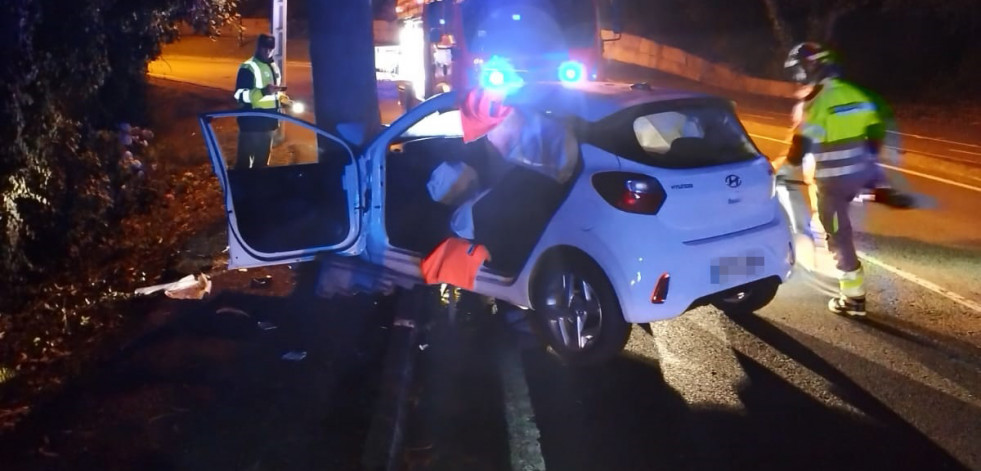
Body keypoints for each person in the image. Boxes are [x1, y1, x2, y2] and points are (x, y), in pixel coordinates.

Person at [777, 42, 890, 316]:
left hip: (831, 181)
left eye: (799, 71)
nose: (798, 77)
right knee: (842, 225)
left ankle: (853, 300)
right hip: (859, 177)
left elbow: (802, 145)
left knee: (838, 235)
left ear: (809, 69)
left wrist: (781, 170)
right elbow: (876, 127)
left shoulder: (815, 101)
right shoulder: (856, 93)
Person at [233, 33, 283, 170]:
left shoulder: (273, 67)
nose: (267, 51)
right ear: (258, 47)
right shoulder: (248, 67)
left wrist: (282, 100)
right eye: (264, 48)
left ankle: (256, 190)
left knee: (261, 166)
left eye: (270, 48)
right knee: (244, 165)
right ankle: (241, 190)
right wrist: (263, 91)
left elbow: (273, 95)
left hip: (267, 124)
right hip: (251, 124)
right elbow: (240, 95)